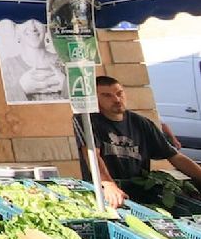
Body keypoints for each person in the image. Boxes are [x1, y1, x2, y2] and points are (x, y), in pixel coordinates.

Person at [73, 75, 201, 208]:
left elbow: (174, 156)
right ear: (95, 99)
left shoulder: (141, 123)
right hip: (104, 192)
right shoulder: (87, 121)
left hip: (140, 189)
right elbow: (91, 154)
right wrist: (108, 184)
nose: (116, 99)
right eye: (107, 95)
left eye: (119, 93)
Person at [0, 21, 66, 102]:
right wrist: (21, 89)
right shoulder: (7, 67)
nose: (32, 27)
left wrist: (66, 85)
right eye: (25, 19)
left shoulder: (66, 62)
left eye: (37, 19)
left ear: (46, 26)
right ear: (16, 28)